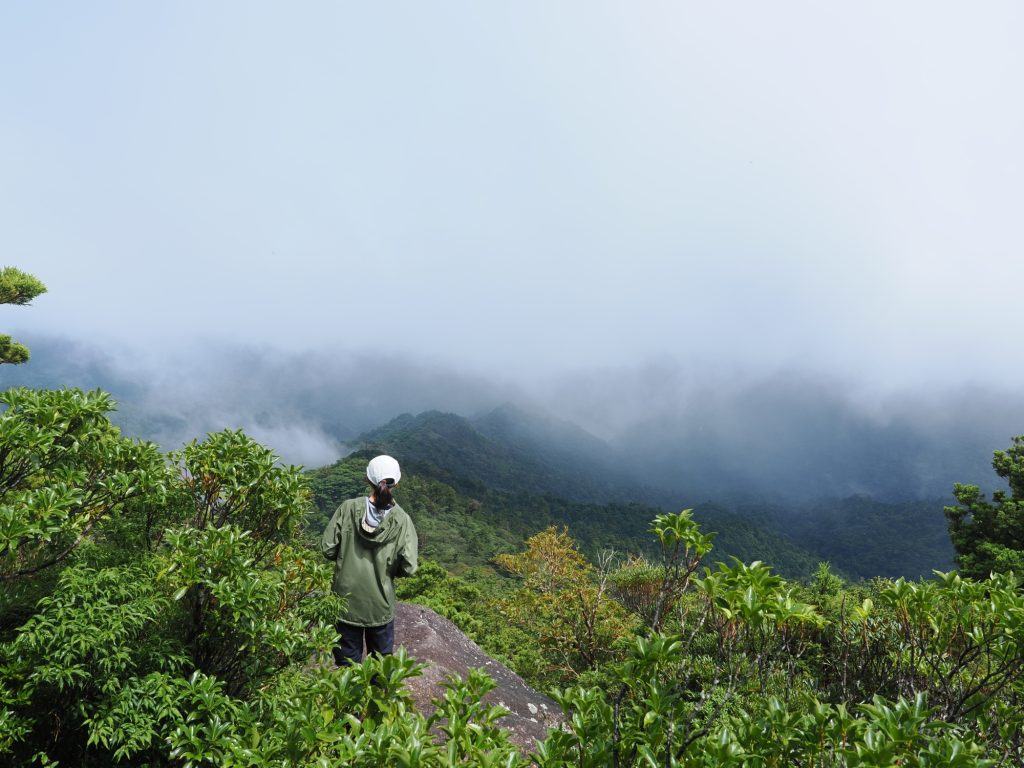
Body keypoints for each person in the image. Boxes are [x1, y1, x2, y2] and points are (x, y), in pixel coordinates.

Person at [320, 454, 418, 665]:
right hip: (380, 605)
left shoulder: (348, 508)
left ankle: (349, 698)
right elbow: (409, 567)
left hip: (344, 602)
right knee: (380, 670)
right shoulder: (402, 520)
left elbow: (327, 549)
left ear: (368, 479)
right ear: (397, 483)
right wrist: (390, 570)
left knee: (347, 668)